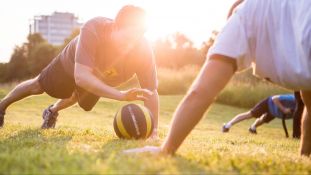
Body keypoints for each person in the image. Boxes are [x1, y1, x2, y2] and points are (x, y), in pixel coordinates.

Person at [124, 0, 311, 156]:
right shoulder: (288, 19)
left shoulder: (244, 16)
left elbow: (201, 92)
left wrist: (166, 149)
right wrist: (305, 157)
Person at [0, 5, 159, 137]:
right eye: (126, 40)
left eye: (135, 40)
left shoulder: (143, 51)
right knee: (38, 85)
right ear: (115, 27)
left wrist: (153, 132)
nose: (129, 47)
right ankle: (2, 106)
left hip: (100, 77)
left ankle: (51, 111)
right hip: (70, 64)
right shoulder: (94, 28)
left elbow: (151, 91)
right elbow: (81, 77)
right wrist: (121, 95)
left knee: (77, 98)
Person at [222, 94, 297, 134]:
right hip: (269, 103)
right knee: (250, 115)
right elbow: (275, 98)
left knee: (263, 120)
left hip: (275, 112)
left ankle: (252, 128)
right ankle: (227, 125)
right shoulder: (293, 98)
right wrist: (284, 109)